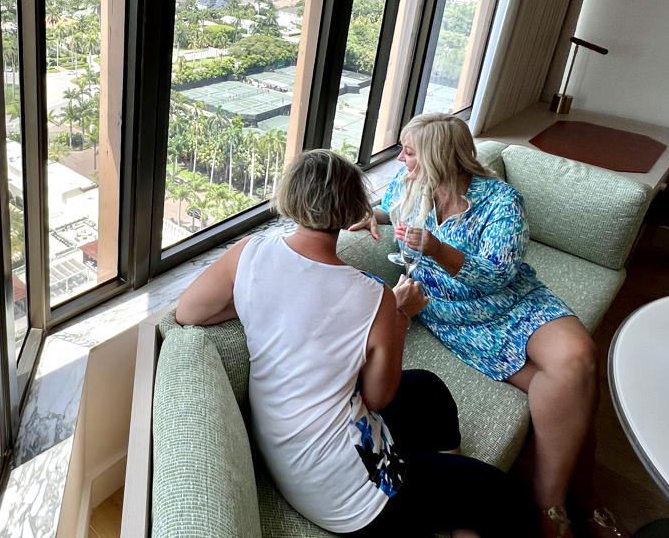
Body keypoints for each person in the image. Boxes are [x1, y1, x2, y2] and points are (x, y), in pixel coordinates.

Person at [178, 148, 536, 537]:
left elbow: (189, 312)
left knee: (427, 389)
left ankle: (447, 505)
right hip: (349, 492)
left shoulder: (251, 252)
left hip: (286, 450)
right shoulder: (372, 295)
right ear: (352, 208)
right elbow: (379, 396)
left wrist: (257, 302)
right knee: (508, 497)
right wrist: (400, 315)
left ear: (289, 197)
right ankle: (441, 501)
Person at [348, 113, 620, 538]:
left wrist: (438, 249)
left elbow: (499, 273)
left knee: (580, 356)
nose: (401, 157)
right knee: (574, 386)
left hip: (513, 300)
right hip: (457, 316)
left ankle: (559, 500)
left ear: (440, 157)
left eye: (410, 150)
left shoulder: (501, 201)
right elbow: (393, 208)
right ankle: (566, 502)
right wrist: (375, 215)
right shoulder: (408, 185)